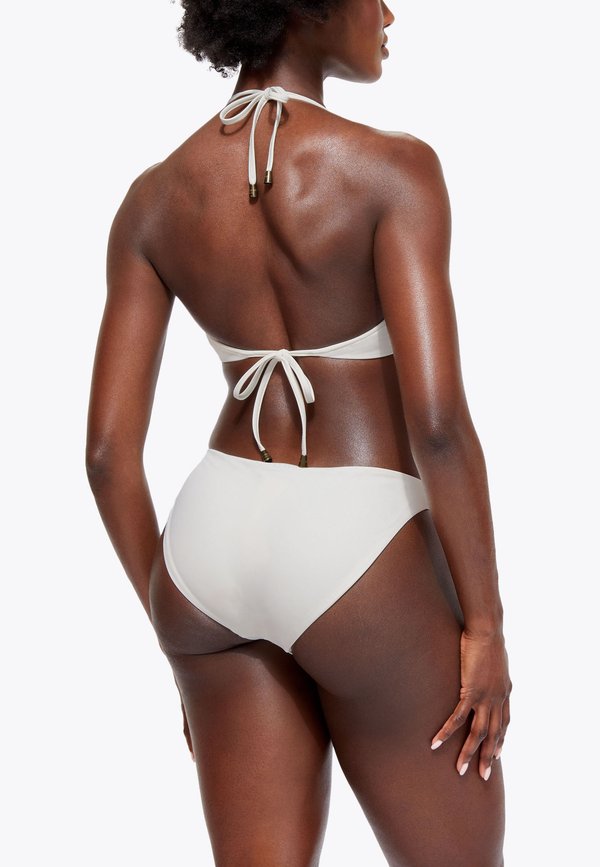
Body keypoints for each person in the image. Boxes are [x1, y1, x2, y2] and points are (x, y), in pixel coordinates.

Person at [85, 1, 512, 864]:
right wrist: (486, 626)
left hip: (206, 550)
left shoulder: (153, 199)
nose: (389, 11)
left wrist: (175, 628)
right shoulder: (394, 170)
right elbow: (436, 424)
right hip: (358, 540)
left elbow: (105, 455)